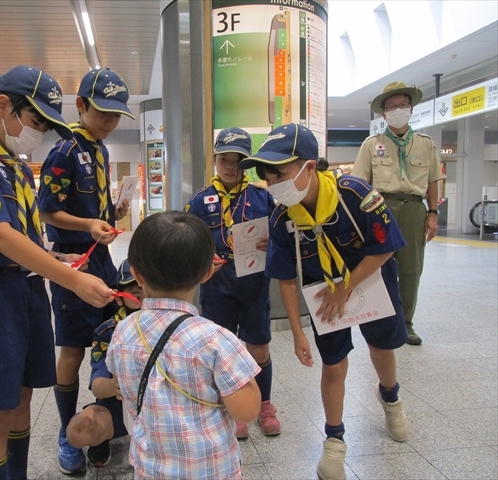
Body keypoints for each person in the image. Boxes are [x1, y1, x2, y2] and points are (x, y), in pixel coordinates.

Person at [0, 65, 115, 480]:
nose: (40, 133)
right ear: (3, 106)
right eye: (36, 121)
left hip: (28, 291)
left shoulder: (12, 163)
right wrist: (69, 278)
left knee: (21, 398)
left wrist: (55, 257)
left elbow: (23, 234)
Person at [239, 124, 409, 480]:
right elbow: (285, 278)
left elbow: (386, 245)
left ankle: (390, 398)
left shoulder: (355, 194)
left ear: (310, 166)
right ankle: (334, 439)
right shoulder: (282, 217)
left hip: (372, 279)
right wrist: (299, 334)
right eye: (268, 178)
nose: (273, 185)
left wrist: (346, 287)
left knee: (380, 347)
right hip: (323, 294)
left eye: (280, 174)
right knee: (333, 364)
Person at [106, 211, 262, 480]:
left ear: (136, 274)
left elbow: (119, 379)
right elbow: (246, 411)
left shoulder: (122, 331)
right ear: (207, 272)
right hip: (210, 470)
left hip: (150, 467)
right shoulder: (216, 339)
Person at [37, 67, 134, 475]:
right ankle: (65, 431)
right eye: (103, 113)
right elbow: (47, 210)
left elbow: (90, 207)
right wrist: (87, 226)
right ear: (80, 106)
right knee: (73, 348)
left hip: (102, 261)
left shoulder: (100, 150)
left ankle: (101, 427)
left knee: (110, 340)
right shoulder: (63, 152)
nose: (110, 122)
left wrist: (113, 213)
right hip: (71, 264)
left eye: (116, 115)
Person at [185, 127, 280, 439]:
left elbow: (284, 236)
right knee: (222, 350)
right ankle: (230, 405)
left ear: (247, 164)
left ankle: (264, 403)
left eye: (237, 161)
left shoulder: (264, 198)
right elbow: (188, 240)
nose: (229, 166)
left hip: (254, 282)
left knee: (258, 346)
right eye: (224, 159)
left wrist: (272, 243)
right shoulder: (200, 201)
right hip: (217, 283)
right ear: (214, 160)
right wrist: (202, 256)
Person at [351, 81, 444, 346]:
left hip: (415, 208)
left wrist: (433, 213)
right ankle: (382, 321)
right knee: (377, 265)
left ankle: (406, 324)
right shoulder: (372, 145)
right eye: (391, 107)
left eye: (402, 105)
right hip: (381, 208)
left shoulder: (426, 144)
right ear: (383, 114)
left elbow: (433, 181)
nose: (397, 110)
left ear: (411, 108)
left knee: (412, 268)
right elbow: (359, 184)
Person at [66, 259, 144, 468]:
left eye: (150, 292)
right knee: (78, 431)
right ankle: (100, 439)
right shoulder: (107, 333)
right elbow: (98, 385)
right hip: (119, 406)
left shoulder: (172, 325)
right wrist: (114, 386)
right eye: (137, 295)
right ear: (119, 298)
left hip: (164, 406)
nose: (145, 300)